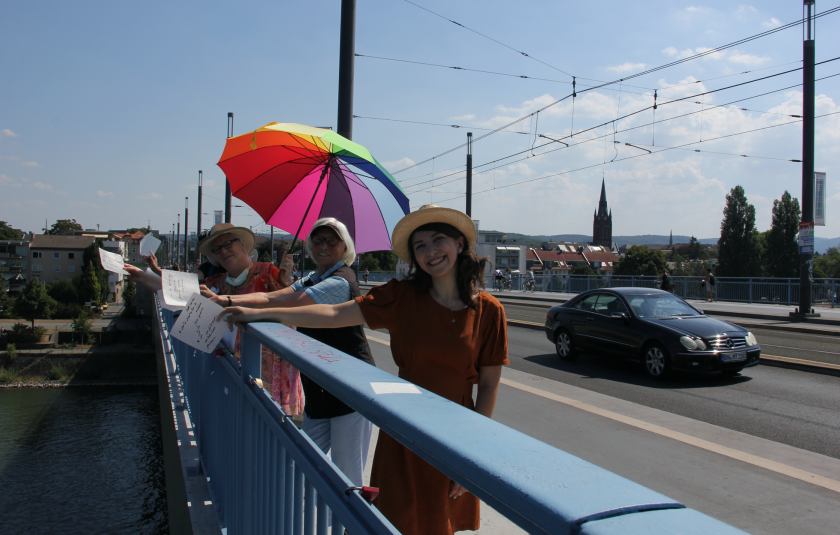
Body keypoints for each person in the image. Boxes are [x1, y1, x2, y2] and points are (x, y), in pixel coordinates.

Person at [219, 204, 508, 535]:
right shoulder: (402, 298)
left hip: (456, 436)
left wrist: (472, 457)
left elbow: (488, 387)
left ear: (459, 244)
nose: (430, 252)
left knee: (438, 523)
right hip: (404, 432)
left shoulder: (489, 311)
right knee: (395, 520)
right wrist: (258, 315)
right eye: (420, 246)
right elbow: (333, 315)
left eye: (438, 240)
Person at [202, 218, 375, 488]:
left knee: (346, 477)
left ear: (345, 247)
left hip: (349, 389)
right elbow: (273, 296)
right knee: (300, 465)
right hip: (320, 386)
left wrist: (234, 304)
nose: (323, 246)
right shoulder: (315, 278)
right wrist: (226, 300)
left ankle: (348, 530)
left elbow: (291, 303)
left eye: (332, 240)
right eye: (317, 240)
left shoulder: (340, 282)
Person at [125, 223, 304, 416]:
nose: (224, 251)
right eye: (217, 249)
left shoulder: (268, 272)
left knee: (278, 433)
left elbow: (292, 303)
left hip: (275, 376)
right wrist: (141, 276)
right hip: (239, 375)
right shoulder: (217, 283)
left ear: (242, 245)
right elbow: (176, 292)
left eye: (228, 244)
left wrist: (287, 282)